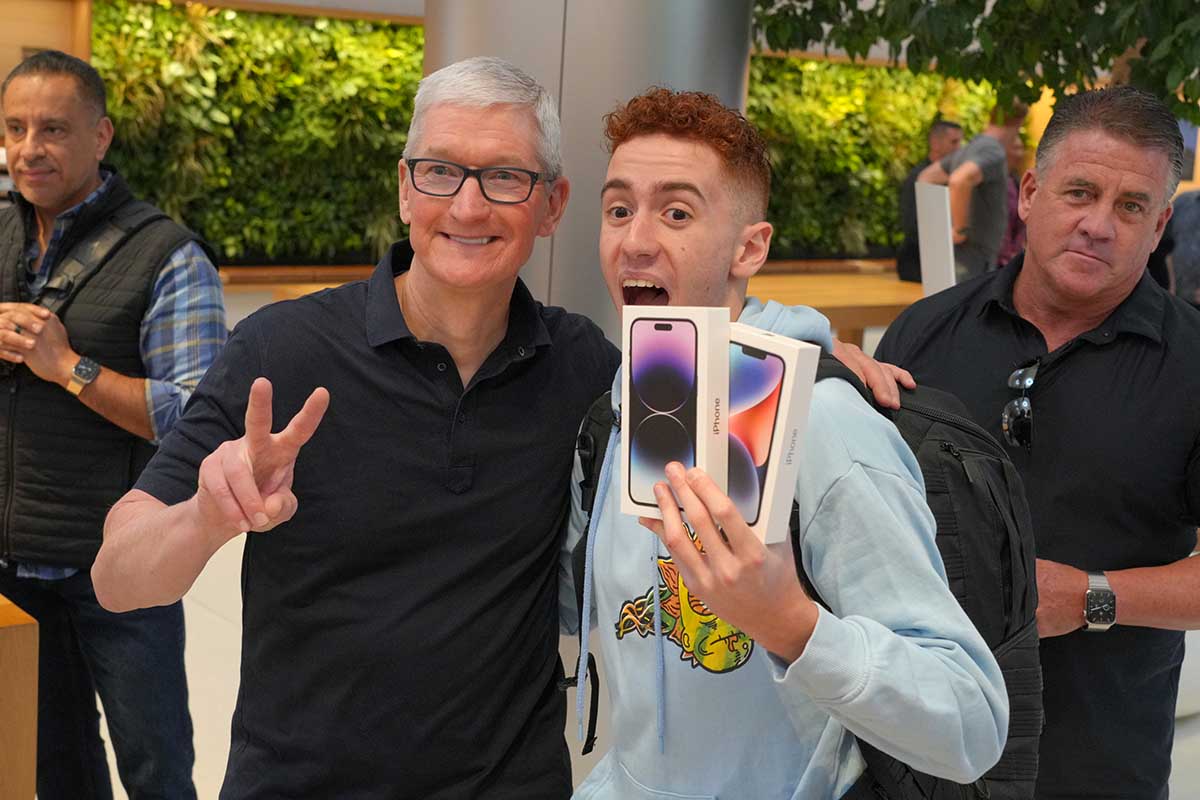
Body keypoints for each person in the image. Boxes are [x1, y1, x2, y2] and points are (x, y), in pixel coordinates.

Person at [560, 87, 1007, 799]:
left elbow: (970, 720)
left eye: (677, 212)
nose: (635, 240)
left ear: (750, 247)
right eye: (619, 209)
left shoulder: (822, 420)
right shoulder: (618, 410)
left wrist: (793, 624)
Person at [876, 86, 1200, 800]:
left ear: (1159, 227)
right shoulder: (923, 334)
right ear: (1028, 192)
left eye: (1131, 207)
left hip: (1099, 761)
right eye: (1079, 192)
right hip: (912, 753)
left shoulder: (1192, 365)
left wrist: (1093, 596)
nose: (1098, 225)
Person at [0, 51, 225, 799]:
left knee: (157, 768)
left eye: (53, 129)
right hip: (12, 566)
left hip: (120, 570)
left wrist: (70, 367)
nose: (29, 147)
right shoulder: (0, 232)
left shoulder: (169, 255)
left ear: (102, 137)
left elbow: (197, 418)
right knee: (49, 767)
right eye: (14, 128)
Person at [919, 100, 1028, 281]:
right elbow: (959, 180)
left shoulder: (970, 148)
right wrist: (959, 229)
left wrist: (939, 230)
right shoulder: (993, 150)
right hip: (974, 258)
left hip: (962, 257)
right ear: (1019, 122)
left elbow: (927, 178)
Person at [897, 119, 963, 282]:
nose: (959, 148)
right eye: (954, 142)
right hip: (918, 265)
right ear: (935, 143)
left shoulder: (955, 175)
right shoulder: (919, 178)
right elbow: (912, 225)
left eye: (960, 142)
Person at [995, 133, 1027, 268]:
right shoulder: (994, 184)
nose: (1020, 153)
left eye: (1021, 148)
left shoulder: (1016, 181)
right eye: (1015, 148)